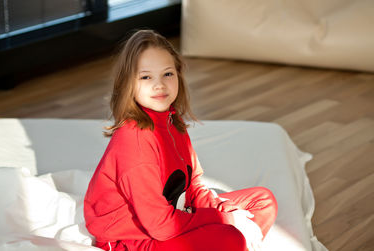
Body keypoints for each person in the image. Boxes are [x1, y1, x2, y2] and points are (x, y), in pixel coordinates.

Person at [84, 29, 278, 251]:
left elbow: (193, 187)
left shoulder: (171, 121)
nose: (159, 85)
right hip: (135, 237)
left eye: (167, 74)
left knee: (262, 202)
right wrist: (225, 220)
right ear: (128, 83)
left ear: (178, 75)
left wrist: (225, 210)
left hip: (174, 215)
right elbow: (160, 225)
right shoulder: (133, 143)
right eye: (146, 77)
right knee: (229, 237)